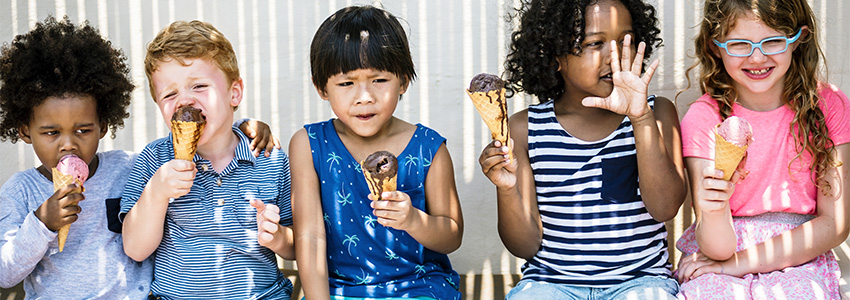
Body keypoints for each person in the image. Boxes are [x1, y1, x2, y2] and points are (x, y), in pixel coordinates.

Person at [0, 16, 279, 299]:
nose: (68, 144)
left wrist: (245, 128)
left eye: (83, 130)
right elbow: (5, 273)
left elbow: (214, 131)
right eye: (51, 133)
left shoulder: (128, 167)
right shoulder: (21, 191)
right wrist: (41, 223)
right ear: (25, 131)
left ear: (103, 126)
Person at [478, 0, 686, 299]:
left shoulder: (656, 113)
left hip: (640, 282)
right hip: (551, 284)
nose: (613, 55)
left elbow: (665, 208)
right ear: (554, 56)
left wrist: (640, 118)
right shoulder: (525, 129)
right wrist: (508, 189)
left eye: (624, 41)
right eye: (595, 43)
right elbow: (524, 246)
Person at [674, 0, 850, 298]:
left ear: (798, 39)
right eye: (739, 44)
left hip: (800, 254)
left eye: (773, 41)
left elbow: (835, 224)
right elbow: (717, 248)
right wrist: (715, 207)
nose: (757, 57)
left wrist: (737, 265)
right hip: (719, 252)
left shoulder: (828, 106)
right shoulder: (705, 118)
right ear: (714, 46)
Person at [290, 6, 464, 300]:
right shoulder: (309, 144)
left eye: (379, 80)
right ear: (322, 88)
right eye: (346, 83)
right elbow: (310, 235)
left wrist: (412, 220)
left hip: (418, 286)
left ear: (403, 81)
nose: (365, 97)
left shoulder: (429, 148)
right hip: (338, 289)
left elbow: (451, 235)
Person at [119, 20, 293, 299]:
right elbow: (135, 248)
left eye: (199, 86)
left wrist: (278, 237)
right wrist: (157, 193)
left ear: (234, 93)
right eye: (170, 93)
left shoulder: (269, 160)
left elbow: (296, 247)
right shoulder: (154, 159)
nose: (184, 101)